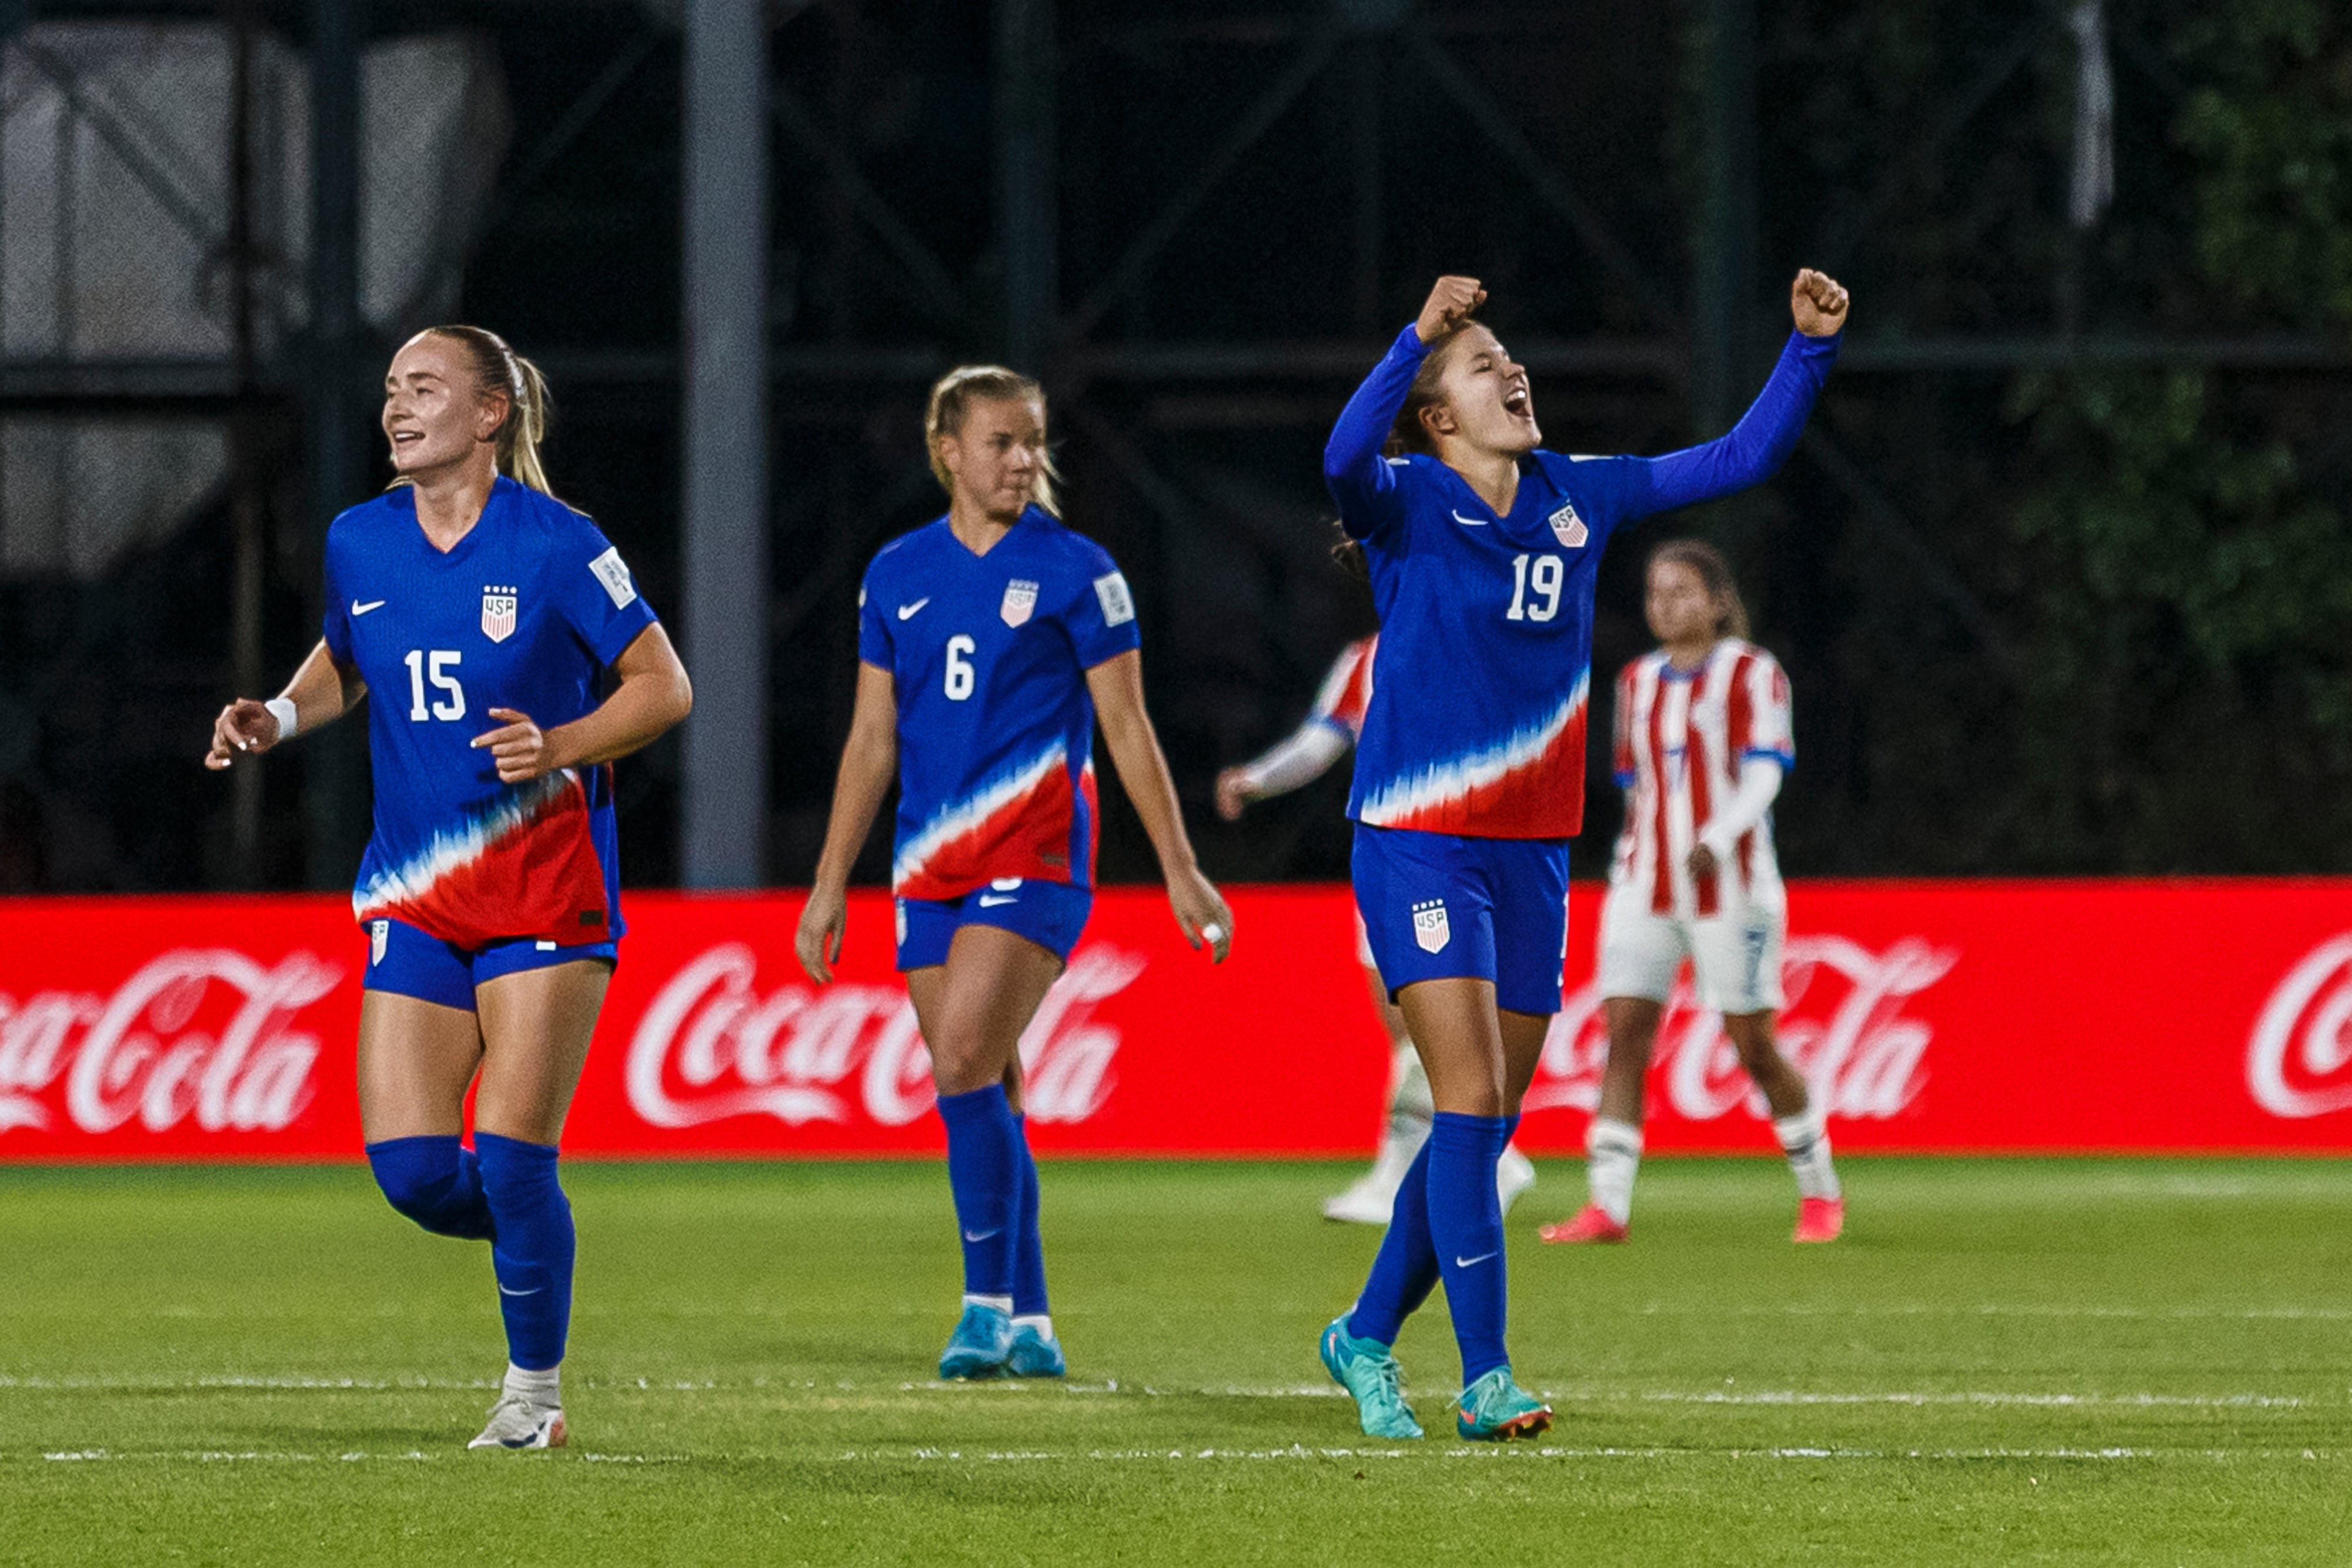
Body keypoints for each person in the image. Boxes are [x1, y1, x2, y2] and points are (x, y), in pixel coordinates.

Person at [1315, 268, 1848, 1442]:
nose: (1509, 370)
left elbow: (1735, 459)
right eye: (1479, 364)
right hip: (1416, 838)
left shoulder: (1578, 493)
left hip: (1532, 853)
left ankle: (1358, 1334)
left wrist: (1804, 346)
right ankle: (1485, 1373)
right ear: (1438, 412)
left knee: (1484, 1119)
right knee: (1466, 1097)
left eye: (1510, 358)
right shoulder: (1402, 497)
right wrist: (1414, 333)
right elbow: (1340, 457)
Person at [205, 326, 693, 1450]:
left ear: (490, 415)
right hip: (417, 896)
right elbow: (350, 660)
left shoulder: (561, 543)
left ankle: (532, 1397)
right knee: (419, 1174)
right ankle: (539, 1234)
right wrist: (275, 715)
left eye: (424, 387)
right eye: (389, 389)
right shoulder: (359, 540)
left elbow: (665, 686)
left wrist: (564, 740)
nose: (396, 406)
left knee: (517, 1152)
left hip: (544, 894)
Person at [796, 365, 1233, 1383]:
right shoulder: (895, 571)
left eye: (1034, 440)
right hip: (924, 863)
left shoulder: (1081, 570)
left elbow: (1127, 726)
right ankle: (1034, 1317)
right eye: (1002, 441)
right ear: (947, 449)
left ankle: (983, 1307)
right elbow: (870, 740)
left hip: (1033, 855)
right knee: (987, 1081)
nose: (1024, 459)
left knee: (957, 1065)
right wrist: (829, 883)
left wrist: (1180, 867)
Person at [1541, 540, 1842, 1246]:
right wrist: (1629, 865)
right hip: (1643, 885)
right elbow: (1636, 789)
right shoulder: (1637, 682)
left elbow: (1766, 771)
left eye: (1681, 592)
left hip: (1732, 886)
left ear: (1716, 600)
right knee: (1624, 1036)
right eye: (1654, 593)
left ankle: (1820, 1191)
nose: (1666, 606)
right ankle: (1606, 1205)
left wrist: (1719, 832)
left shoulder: (1752, 673)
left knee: (1752, 1045)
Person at [1215, 633, 1535, 1224]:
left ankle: (1407, 1176)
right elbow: (1321, 742)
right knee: (1404, 1030)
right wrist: (1258, 778)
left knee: (1426, 1025)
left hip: (1447, 861)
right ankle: (1491, 1158)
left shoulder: (1475, 646)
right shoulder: (1363, 658)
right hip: (1386, 857)